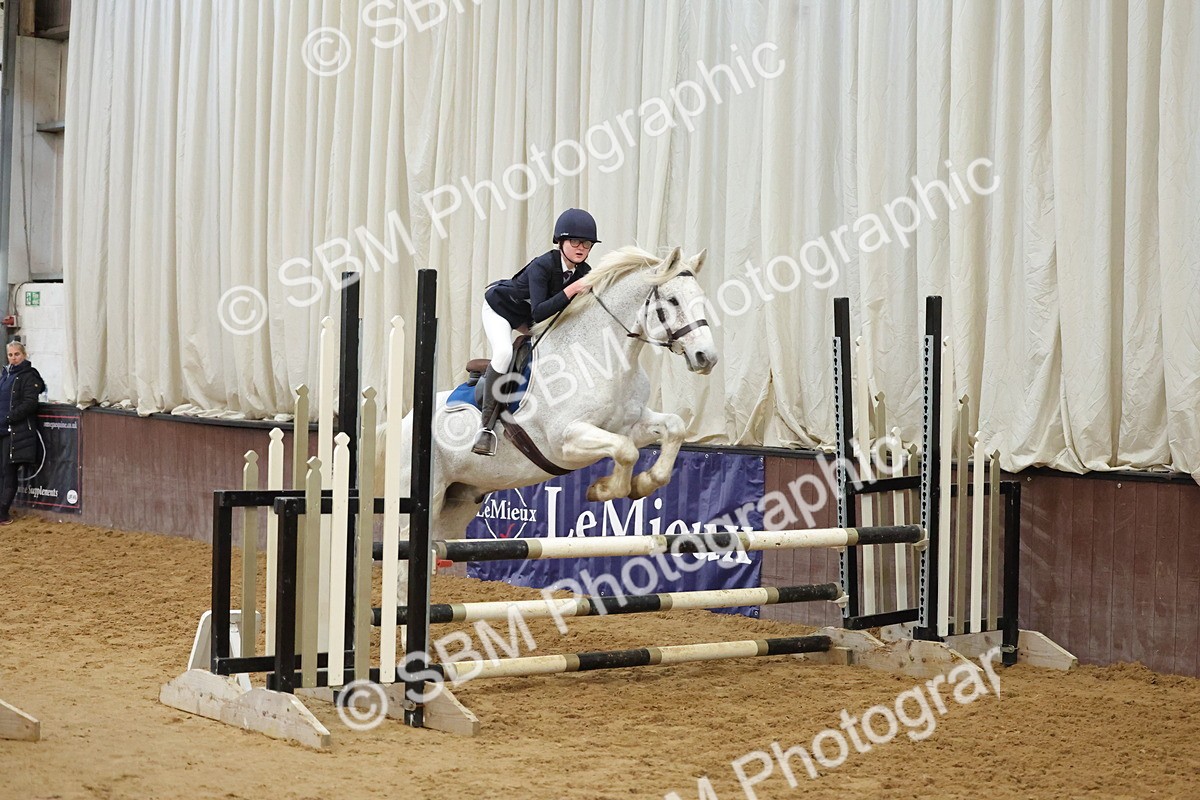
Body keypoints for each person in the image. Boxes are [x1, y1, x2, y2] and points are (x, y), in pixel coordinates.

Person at [473, 208, 600, 456]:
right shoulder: (543, 265)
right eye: (575, 241)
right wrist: (573, 289)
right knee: (503, 354)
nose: (581, 248)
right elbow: (540, 313)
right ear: (561, 242)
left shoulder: (584, 272)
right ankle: (485, 429)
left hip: (526, 315)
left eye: (587, 243)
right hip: (500, 307)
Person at [0, 341, 46, 524]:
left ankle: (3, 512)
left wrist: (9, 417)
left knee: (8, 472)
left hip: (16, 431)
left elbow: (30, 403)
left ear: (24, 355)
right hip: (3, 429)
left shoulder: (29, 376)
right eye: (10, 355)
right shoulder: (5, 375)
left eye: (17, 354)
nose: (13, 358)